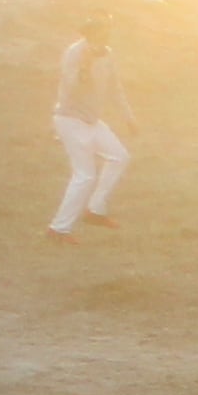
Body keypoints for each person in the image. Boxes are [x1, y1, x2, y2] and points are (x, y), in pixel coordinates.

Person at [47, 17, 132, 239]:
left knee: (119, 156)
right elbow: (70, 88)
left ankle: (95, 210)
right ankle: (58, 228)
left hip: (91, 120)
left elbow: (115, 87)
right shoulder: (75, 53)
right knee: (85, 175)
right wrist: (85, 67)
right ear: (91, 34)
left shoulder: (107, 53)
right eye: (103, 32)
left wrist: (128, 117)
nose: (107, 36)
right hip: (70, 120)